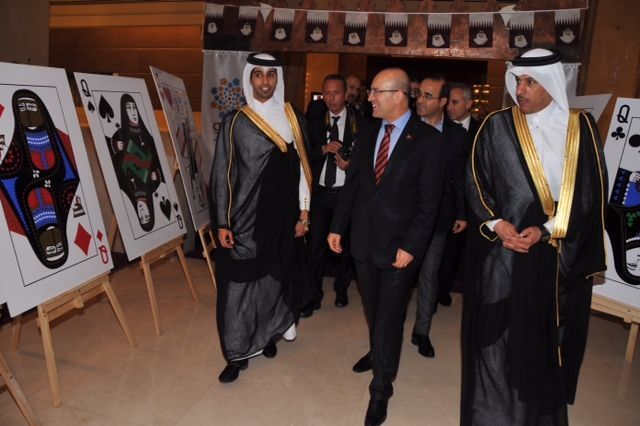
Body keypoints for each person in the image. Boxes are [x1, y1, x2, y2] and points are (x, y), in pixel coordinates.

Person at [462, 48, 608, 425]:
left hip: (554, 250)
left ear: (552, 85)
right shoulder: (496, 124)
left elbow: (591, 193)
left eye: (530, 82)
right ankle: (493, 408)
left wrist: (546, 229)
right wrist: (497, 224)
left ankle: (535, 406)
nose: (520, 90)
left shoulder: (580, 127)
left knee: (544, 332)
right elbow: (476, 182)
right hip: (504, 248)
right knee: (496, 327)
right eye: (518, 81)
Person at [328, 68, 444, 426]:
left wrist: (412, 247)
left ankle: (381, 390)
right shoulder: (367, 133)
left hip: (400, 249)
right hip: (364, 241)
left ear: (399, 96)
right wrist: (337, 227)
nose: (370, 97)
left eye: (377, 92)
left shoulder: (427, 140)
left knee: (390, 317)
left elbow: (430, 204)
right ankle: (378, 353)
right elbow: (353, 186)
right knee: (374, 309)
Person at [209, 53, 313, 384]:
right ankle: (236, 352)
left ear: (278, 78)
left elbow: (303, 171)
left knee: (272, 279)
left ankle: (267, 334)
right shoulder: (235, 121)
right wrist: (223, 223)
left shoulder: (292, 118)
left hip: (282, 218)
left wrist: (304, 211)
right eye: (258, 75)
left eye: (271, 75)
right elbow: (222, 174)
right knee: (238, 286)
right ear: (249, 79)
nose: (265, 81)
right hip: (243, 219)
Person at [411, 75, 467, 358]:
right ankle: (387, 331)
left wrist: (461, 212)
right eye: (419, 94)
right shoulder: (406, 128)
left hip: (439, 217)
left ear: (443, 101)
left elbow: (461, 176)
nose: (420, 100)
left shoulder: (457, 136)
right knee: (396, 276)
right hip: (404, 217)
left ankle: (422, 331)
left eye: (427, 96)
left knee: (429, 275)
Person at [303, 74, 364, 317]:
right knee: (315, 248)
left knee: (344, 249)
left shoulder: (359, 120)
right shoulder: (316, 118)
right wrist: (322, 149)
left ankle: (341, 288)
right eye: (326, 93)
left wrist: (350, 164)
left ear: (346, 95)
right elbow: (304, 151)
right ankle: (312, 295)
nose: (330, 98)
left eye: (335, 92)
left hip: (345, 196)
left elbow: (366, 159)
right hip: (320, 195)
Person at [438, 82, 480, 306]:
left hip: (469, 199)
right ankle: (435, 290)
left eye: (455, 102)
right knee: (439, 250)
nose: (450, 108)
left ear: (469, 103)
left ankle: (445, 288)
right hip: (444, 197)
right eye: (448, 102)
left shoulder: (481, 129)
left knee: (456, 252)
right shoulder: (439, 128)